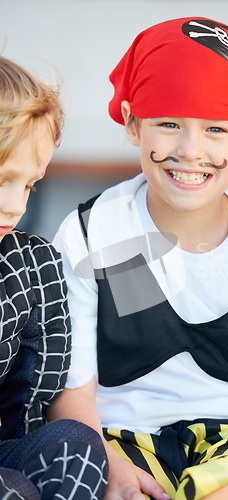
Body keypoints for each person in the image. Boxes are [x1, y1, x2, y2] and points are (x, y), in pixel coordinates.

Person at [50, 17, 228, 500]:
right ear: (132, 122)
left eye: (216, 130)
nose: (190, 151)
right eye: (168, 124)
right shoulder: (97, 232)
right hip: (117, 440)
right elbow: (70, 389)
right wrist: (106, 464)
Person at [0, 55, 108, 500]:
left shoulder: (32, 264)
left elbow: (38, 395)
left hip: (7, 450)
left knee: (75, 447)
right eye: (3, 178)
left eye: (29, 185)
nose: (15, 205)